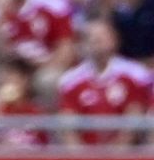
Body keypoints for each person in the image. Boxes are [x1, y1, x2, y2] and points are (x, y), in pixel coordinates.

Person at [57, 15, 151, 145]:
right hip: (85, 154)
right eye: (90, 37)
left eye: (102, 36)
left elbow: (134, 116)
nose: (96, 41)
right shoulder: (70, 80)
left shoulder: (135, 75)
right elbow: (68, 123)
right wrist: (79, 157)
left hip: (125, 154)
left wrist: (115, 153)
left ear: (115, 39)